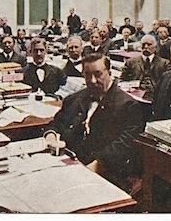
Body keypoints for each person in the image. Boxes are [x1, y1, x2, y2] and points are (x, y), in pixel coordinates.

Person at [45, 53, 145, 189]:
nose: (92, 80)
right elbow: (56, 124)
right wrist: (51, 136)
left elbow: (123, 145)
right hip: (67, 165)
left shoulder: (129, 106)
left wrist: (95, 166)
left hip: (105, 172)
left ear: (110, 73)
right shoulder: (73, 99)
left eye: (98, 74)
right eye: (87, 75)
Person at [120, 35, 171, 101]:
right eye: (143, 44)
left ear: (155, 47)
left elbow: (168, 84)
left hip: (156, 98)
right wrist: (129, 87)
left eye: (149, 44)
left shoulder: (165, 63)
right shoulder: (130, 62)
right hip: (135, 98)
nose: (146, 47)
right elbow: (121, 80)